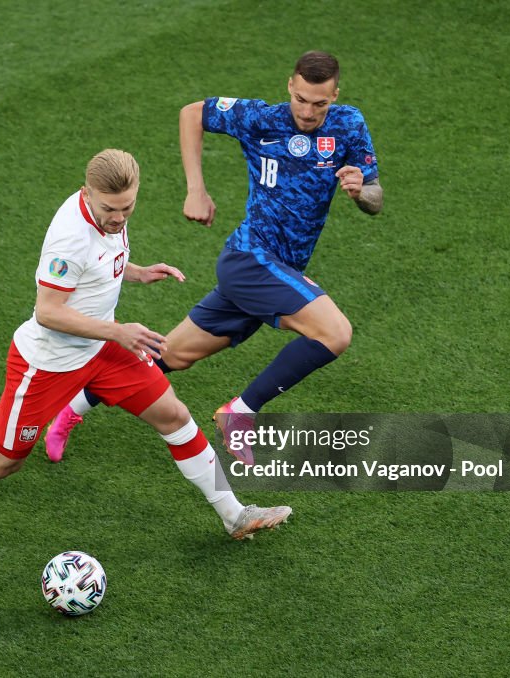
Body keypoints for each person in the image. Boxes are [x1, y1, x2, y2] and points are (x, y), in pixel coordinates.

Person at [0, 149, 291, 540]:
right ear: (87, 193)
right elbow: (48, 311)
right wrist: (120, 331)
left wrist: (135, 271)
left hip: (101, 349)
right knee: (0, 463)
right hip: (48, 362)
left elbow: (99, 263)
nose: (119, 217)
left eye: (128, 207)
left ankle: (234, 515)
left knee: (174, 416)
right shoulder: (69, 237)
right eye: (110, 209)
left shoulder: (108, 213)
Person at [45, 51, 383, 465]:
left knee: (170, 355)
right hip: (249, 259)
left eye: (320, 104)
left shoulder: (349, 124)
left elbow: (375, 197)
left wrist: (359, 191)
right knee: (335, 333)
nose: (309, 112)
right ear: (290, 86)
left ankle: (69, 411)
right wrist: (195, 189)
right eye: (302, 99)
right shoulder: (259, 118)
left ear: (335, 96)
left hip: (281, 271)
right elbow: (193, 113)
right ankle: (239, 414)